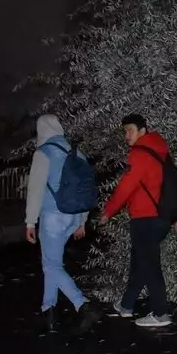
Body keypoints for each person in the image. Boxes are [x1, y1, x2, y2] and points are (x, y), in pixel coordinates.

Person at [99, 113, 177, 328]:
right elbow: (174, 186)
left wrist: (108, 211)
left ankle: (160, 314)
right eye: (125, 130)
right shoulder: (162, 152)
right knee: (140, 262)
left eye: (130, 130)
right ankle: (126, 305)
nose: (127, 135)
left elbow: (126, 186)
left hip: (145, 218)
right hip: (161, 217)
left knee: (149, 266)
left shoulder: (139, 153)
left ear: (142, 131)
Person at [24, 114, 101, 334]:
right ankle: (48, 310)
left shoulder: (43, 153)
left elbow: (35, 190)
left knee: (51, 265)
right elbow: (84, 188)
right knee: (53, 264)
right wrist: (83, 221)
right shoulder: (77, 152)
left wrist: (30, 221)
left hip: (52, 218)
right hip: (74, 216)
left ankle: (82, 305)